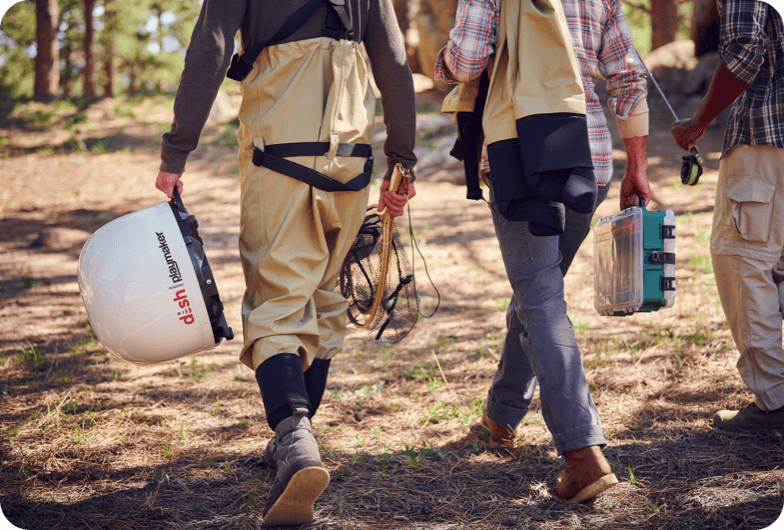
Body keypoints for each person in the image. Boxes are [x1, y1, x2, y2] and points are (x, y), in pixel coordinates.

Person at [154, 0, 417, 525]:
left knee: (276, 297)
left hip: (280, 146)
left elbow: (209, 47)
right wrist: (403, 160)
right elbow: (393, 62)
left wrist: (176, 150)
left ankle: (294, 436)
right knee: (323, 295)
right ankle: (295, 444)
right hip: (352, 153)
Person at [435, 0, 649, 503]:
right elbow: (628, 78)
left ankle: (582, 453)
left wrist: (441, 63)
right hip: (589, 156)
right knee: (539, 291)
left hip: (519, 154)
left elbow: (465, 61)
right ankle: (502, 414)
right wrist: (637, 166)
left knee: (541, 299)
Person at [671, 0, 784, 432]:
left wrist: (698, 122)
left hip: (766, 137)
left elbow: (745, 49)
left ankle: (774, 402)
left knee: (745, 262)